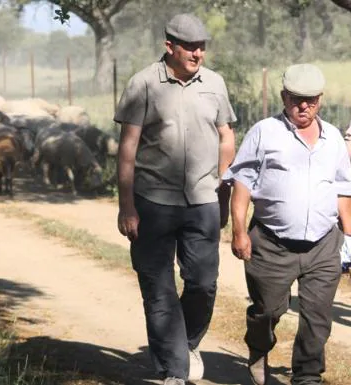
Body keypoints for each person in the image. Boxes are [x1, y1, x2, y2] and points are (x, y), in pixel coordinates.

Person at [114, 13, 237, 385]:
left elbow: (227, 136)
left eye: (202, 46)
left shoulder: (214, 83)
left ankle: (186, 343)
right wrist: (126, 205)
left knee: (203, 281)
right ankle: (173, 370)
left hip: (202, 201)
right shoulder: (143, 84)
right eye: (190, 46)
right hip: (152, 201)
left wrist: (222, 180)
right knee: (158, 285)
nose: (198, 53)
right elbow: (127, 149)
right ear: (170, 46)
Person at [222, 63, 351, 385]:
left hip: (324, 245)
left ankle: (307, 377)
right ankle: (258, 347)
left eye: (311, 100)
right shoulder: (264, 132)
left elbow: (344, 192)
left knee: (317, 318)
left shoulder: (334, 138)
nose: (303, 106)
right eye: (296, 99)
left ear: (320, 100)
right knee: (268, 311)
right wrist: (239, 231)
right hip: (271, 243)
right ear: (284, 96)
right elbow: (242, 183)